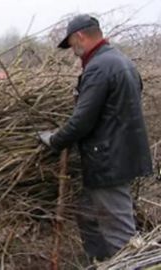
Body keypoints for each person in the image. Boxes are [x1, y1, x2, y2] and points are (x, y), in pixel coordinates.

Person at [37, 14, 152, 261]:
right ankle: (101, 263)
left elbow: (82, 120)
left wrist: (54, 140)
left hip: (109, 163)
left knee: (121, 236)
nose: (73, 52)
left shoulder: (100, 67)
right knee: (87, 215)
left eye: (71, 45)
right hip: (119, 157)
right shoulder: (120, 60)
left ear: (80, 36)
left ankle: (130, 265)